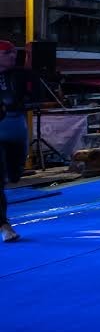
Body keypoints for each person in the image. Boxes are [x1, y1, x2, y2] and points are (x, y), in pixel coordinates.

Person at [1, 38, 38, 242]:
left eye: (14, 52)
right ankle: (5, 226)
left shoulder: (22, 75)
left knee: (14, 175)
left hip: (16, 129)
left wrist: (26, 100)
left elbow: (37, 95)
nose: (13, 56)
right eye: (7, 53)